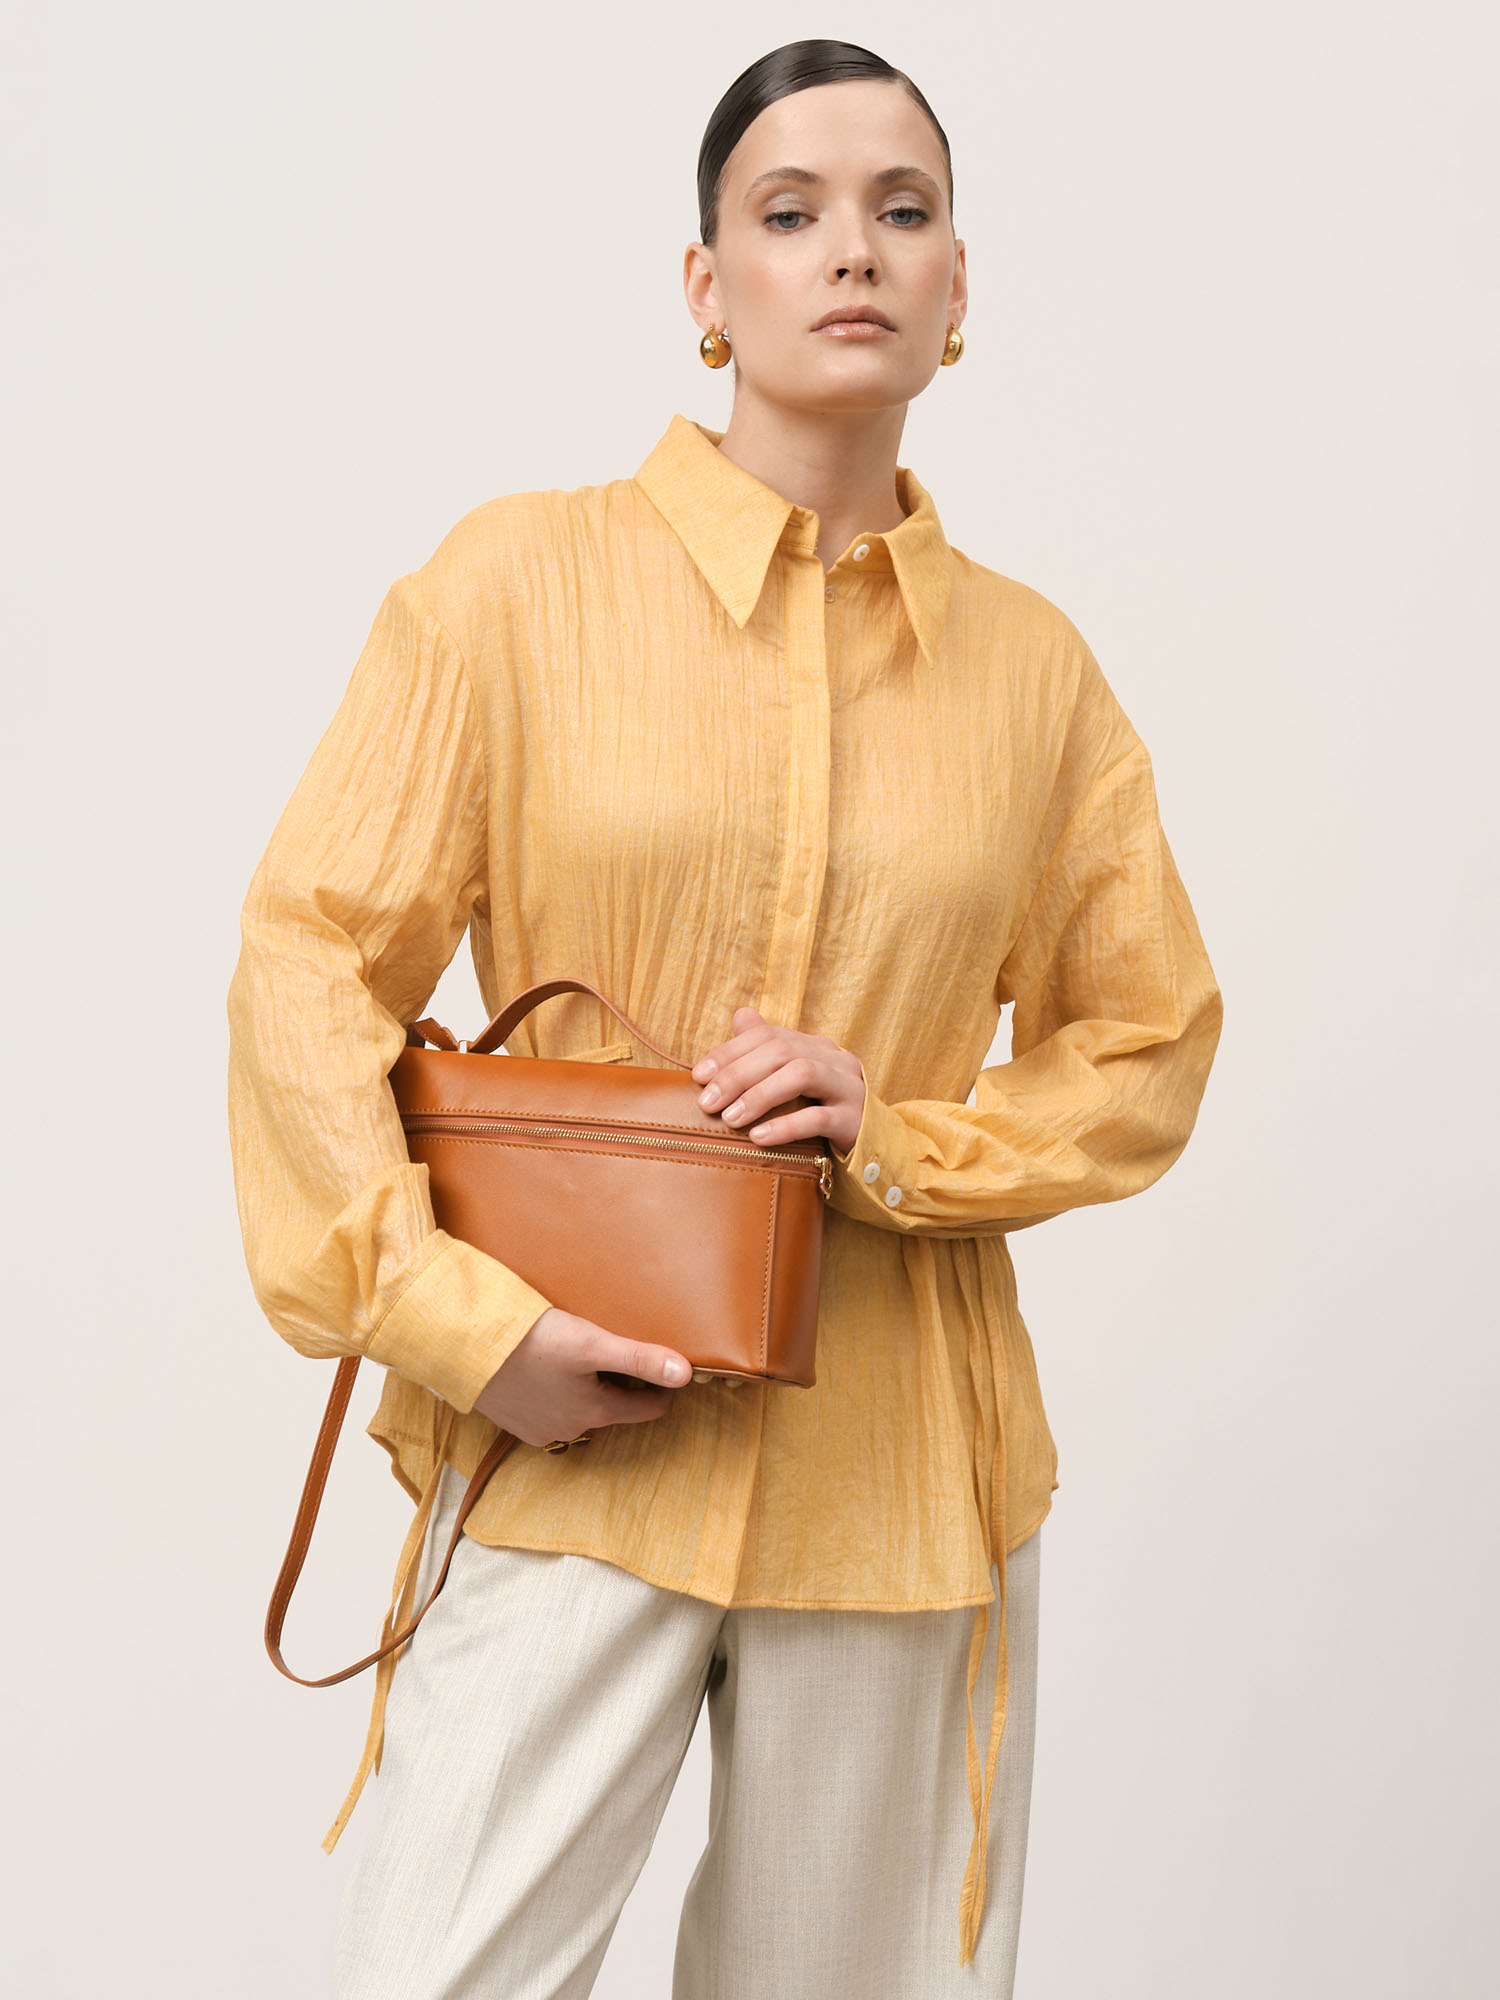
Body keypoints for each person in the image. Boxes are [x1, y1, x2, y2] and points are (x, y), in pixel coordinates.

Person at [225, 38, 1224, 2000]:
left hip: (899, 1471)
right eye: (791, 212)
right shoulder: (516, 586)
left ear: (956, 287)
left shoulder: (1036, 677)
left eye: (902, 211)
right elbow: (306, 957)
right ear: (709, 284)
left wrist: (894, 1136)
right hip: (566, 1418)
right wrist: (461, 1327)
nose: (853, 249)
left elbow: (1149, 1041)